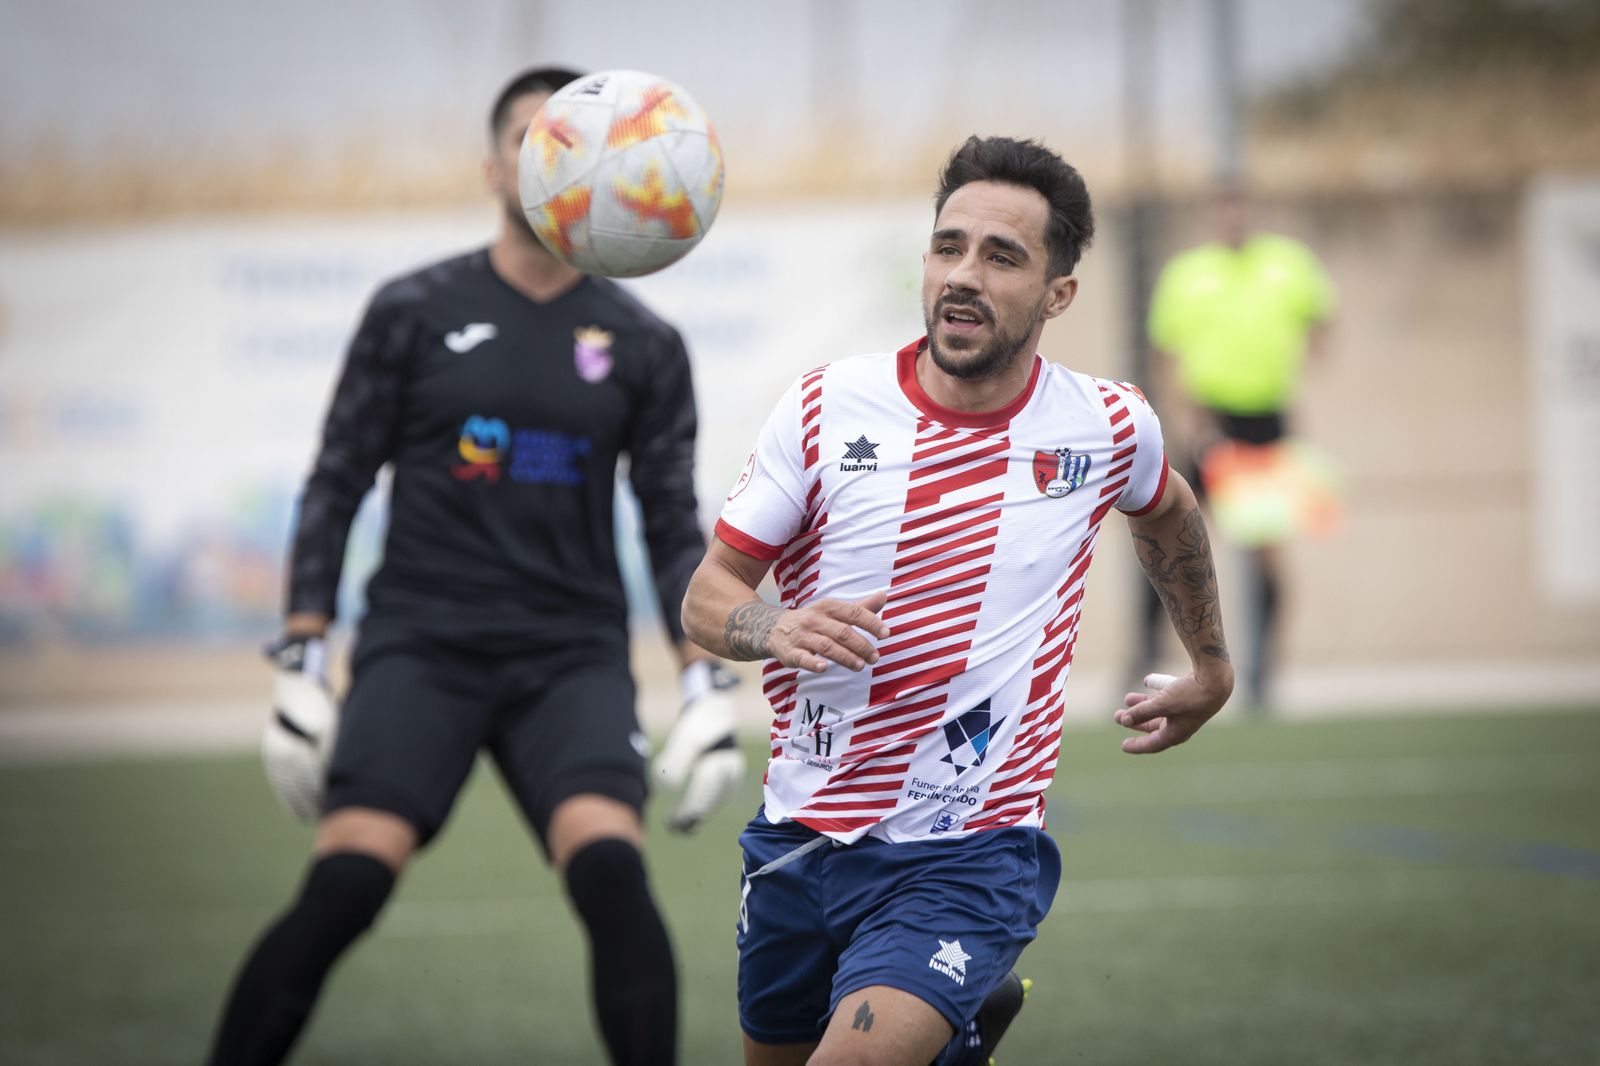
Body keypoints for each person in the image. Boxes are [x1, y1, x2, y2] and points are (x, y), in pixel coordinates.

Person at [207, 67, 745, 1066]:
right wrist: (300, 656)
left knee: (614, 882)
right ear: (498, 164)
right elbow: (335, 480)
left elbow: (671, 520)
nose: (567, 156)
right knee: (346, 886)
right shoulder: (413, 309)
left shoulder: (644, 342)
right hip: (423, 641)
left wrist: (705, 676)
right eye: (538, 137)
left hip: (569, 654)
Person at [681, 136, 1234, 1066]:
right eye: (948, 247)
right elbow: (707, 600)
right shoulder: (825, 408)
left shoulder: (1104, 426)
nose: (963, 276)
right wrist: (776, 623)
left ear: (1059, 293)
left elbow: (1169, 514)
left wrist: (1212, 667)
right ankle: (961, 1038)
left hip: (967, 850)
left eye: (1001, 256)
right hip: (798, 841)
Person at [1137, 182, 1336, 711]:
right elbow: (1166, 353)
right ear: (1212, 215)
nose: (1233, 219)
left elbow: (1321, 323)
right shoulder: (1187, 275)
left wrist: (1290, 368)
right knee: (1170, 538)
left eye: (1242, 209)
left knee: (1266, 551)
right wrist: (1187, 421)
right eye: (1224, 210)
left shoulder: (1288, 265)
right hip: (1208, 420)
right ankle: (1145, 656)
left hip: (1266, 423)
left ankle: (1264, 673)